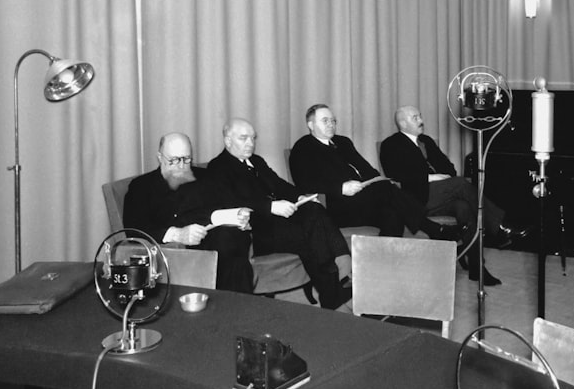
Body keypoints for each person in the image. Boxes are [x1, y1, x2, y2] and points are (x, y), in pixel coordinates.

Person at [207, 118, 352, 309]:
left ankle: (333, 285)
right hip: (254, 232)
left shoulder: (256, 161)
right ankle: (336, 279)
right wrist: (270, 206)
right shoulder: (217, 167)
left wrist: (300, 197)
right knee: (309, 235)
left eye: (253, 138)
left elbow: (279, 184)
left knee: (314, 210)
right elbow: (231, 203)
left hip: (277, 224)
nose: (250, 143)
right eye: (243, 138)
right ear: (228, 141)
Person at [380, 105, 526, 286]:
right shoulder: (391, 144)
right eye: (415, 118)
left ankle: (476, 267)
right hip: (415, 199)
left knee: (463, 207)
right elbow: (396, 175)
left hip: (439, 195)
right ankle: (499, 227)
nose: (421, 121)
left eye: (420, 116)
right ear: (402, 123)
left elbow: (449, 168)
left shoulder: (426, 141)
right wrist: (431, 177)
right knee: (461, 184)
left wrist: (443, 177)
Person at [289, 104, 461, 242]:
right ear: (311, 125)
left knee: (392, 212)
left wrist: (377, 180)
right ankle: (433, 229)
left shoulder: (343, 142)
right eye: (325, 121)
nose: (331, 124)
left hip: (364, 200)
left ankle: (384, 269)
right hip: (337, 204)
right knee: (386, 191)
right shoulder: (303, 148)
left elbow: (368, 170)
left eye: (333, 120)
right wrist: (340, 187)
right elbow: (304, 183)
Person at [123, 132, 256, 294]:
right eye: (173, 160)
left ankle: (235, 306)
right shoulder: (141, 186)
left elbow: (228, 206)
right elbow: (133, 229)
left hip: (215, 241)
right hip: (173, 251)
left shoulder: (206, 177)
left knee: (231, 241)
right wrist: (177, 234)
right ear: (160, 157)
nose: (181, 166)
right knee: (232, 256)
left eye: (186, 159)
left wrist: (240, 219)